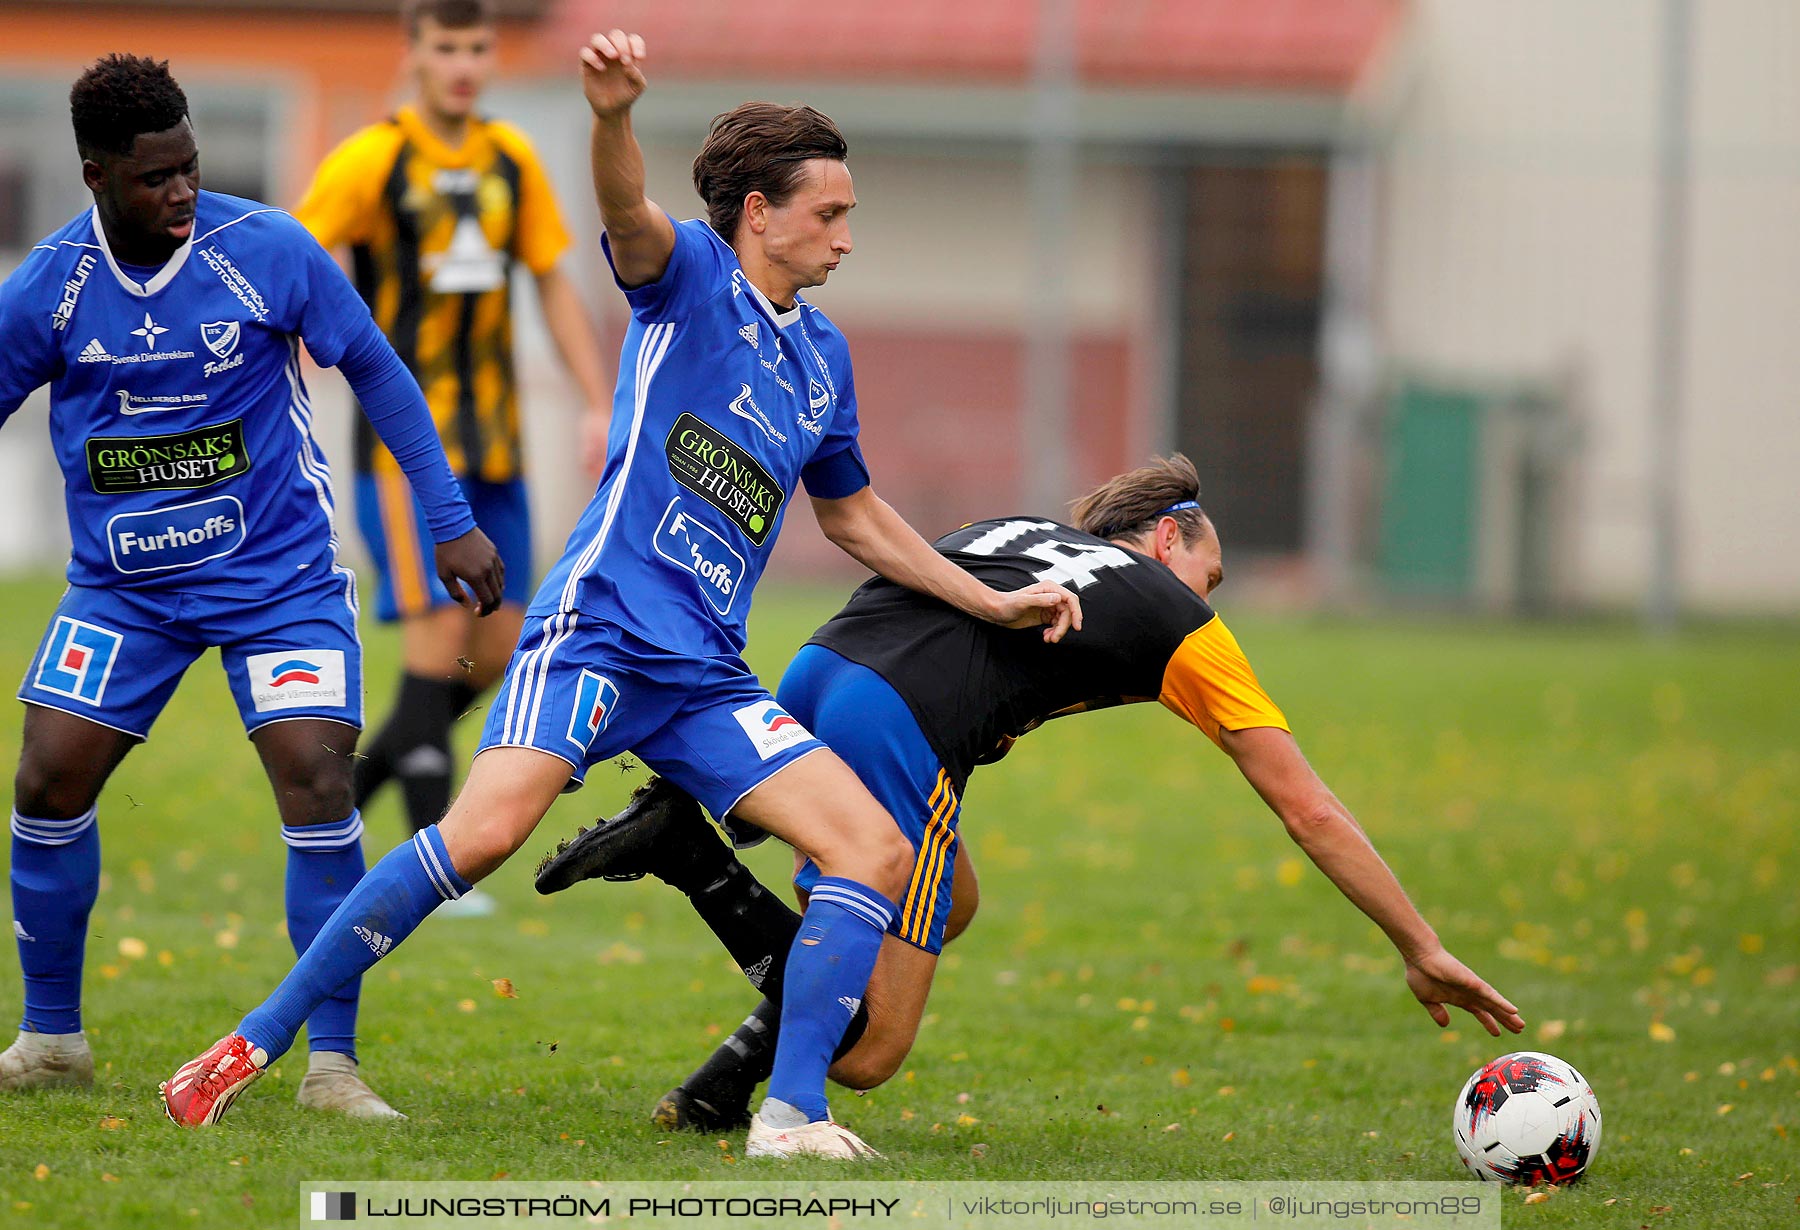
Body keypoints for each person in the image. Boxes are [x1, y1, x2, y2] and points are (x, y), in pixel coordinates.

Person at [161, 30, 1079, 1156]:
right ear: (757, 212)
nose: (847, 234)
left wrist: (989, 601)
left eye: (847, 214)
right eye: (828, 214)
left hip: (702, 676)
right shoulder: (689, 275)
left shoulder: (824, 357)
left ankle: (790, 1114)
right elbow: (630, 215)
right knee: (482, 836)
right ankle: (251, 1044)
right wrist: (610, 119)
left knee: (875, 853)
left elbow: (854, 514)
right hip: (597, 635)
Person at [535, 455, 1528, 1150]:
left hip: (816, 670)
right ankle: (687, 855)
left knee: (947, 903)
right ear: (1169, 539)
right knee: (872, 1049)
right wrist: (1418, 943)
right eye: (1209, 578)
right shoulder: (1177, 615)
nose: (1208, 600)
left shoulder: (1021, 532)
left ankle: (718, 1087)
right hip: (901, 725)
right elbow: (1306, 807)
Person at [0, 55, 503, 1117]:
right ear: (96, 175)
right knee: (47, 781)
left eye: (190, 166)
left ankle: (332, 1067)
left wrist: (448, 518)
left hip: (279, 578)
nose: (182, 190)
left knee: (318, 783)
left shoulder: (263, 249)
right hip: (123, 591)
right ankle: (51, 1041)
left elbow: (376, 366)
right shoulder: (49, 287)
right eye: (155, 178)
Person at [296, 0, 612, 917]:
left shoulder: (513, 160)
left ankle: (340, 807)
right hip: (404, 453)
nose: (465, 64)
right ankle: (439, 861)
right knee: (437, 643)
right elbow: (292, 264)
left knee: (498, 649)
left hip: (499, 445)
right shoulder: (370, 160)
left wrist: (597, 401)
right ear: (416, 53)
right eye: (447, 48)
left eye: (478, 48)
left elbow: (553, 281)